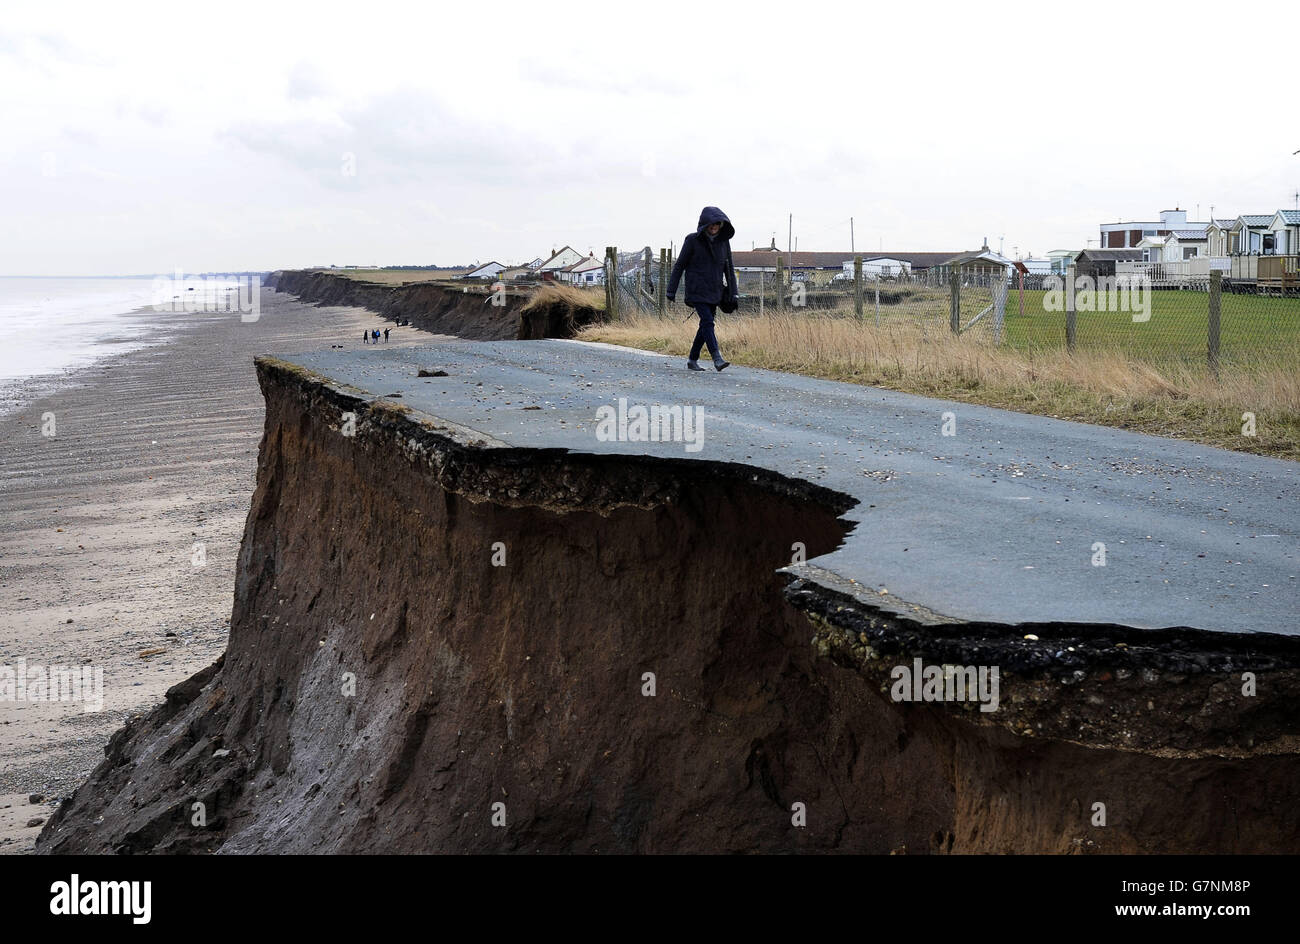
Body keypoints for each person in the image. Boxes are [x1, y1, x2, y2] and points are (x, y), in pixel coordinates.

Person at [667, 206, 736, 371]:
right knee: (707, 322)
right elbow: (680, 265)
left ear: (721, 225)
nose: (713, 228)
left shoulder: (724, 243)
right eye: (711, 225)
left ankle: (692, 359)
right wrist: (671, 290)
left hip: (715, 290)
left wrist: (734, 293)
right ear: (704, 224)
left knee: (705, 325)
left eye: (717, 225)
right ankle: (717, 357)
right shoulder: (692, 240)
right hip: (696, 290)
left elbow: (729, 269)